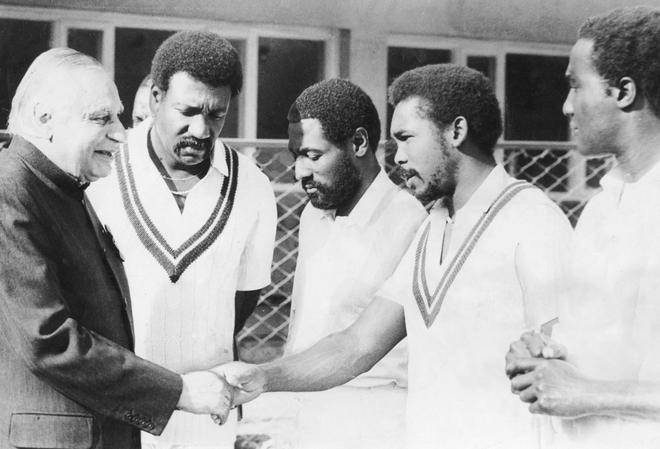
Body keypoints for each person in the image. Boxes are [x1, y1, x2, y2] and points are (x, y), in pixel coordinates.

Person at [217, 64, 572, 449]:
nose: (396, 157)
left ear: (456, 131)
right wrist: (263, 377)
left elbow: (566, 364)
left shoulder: (531, 218)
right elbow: (358, 344)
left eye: (405, 138)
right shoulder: (435, 225)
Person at [0, 48, 234, 449]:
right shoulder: (12, 193)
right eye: (101, 118)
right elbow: (49, 339)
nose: (121, 133)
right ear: (44, 119)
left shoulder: (61, 187)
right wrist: (178, 392)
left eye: (120, 115)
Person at [88, 31, 277, 449]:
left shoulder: (253, 185)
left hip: (207, 412)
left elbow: (245, 297)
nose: (201, 129)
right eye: (187, 111)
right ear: (155, 98)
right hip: (116, 405)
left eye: (216, 115)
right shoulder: (101, 171)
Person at [506, 6, 660, 448]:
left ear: (624, 92)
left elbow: (586, 391)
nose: (566, 106)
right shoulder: (599, 211)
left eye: (576, 85)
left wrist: (584, 392)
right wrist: (541, 351)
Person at [283, 79, 427, 449]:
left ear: (359, 143)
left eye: (313, 156)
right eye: (295, 154)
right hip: (304, 418)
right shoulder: (313, 218)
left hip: (377, 426)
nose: (299, 171)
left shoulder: (410, 221)